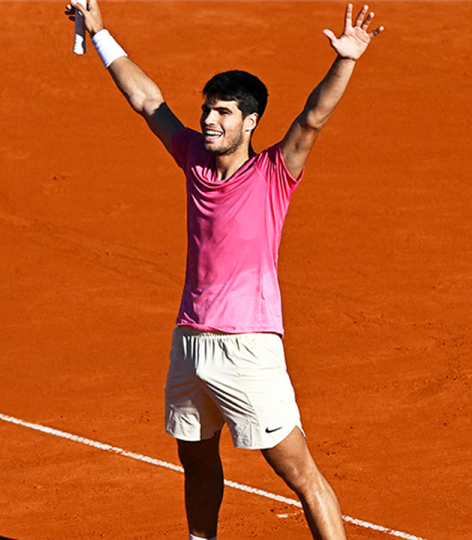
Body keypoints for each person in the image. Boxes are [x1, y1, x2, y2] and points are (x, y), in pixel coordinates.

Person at [65, 2, 383, 539]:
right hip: (189, 341)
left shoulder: (275, 172)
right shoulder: (192, 154)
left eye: (224, 113)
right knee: (197, 462)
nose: (209, 120)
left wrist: (345, 61)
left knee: (297, 472)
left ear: (250, 122)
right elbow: (147, 100)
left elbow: (313, 117)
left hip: (249, 347)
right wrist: (101, 34)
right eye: (208, 109)